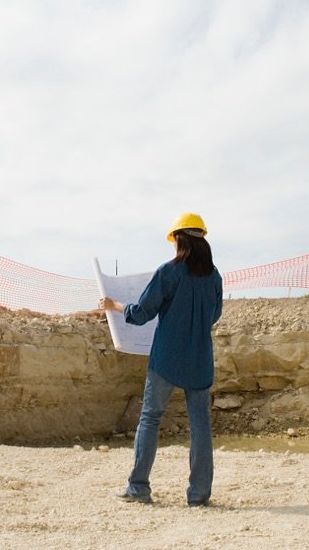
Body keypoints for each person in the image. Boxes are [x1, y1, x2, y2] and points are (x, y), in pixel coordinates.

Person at [98, 212, 223, 507]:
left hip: (166, 359)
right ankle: (199, 496)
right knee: (201, 425)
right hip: (200, 360)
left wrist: (113, 305)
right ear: (202, 240)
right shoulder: (214, 276)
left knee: (150, 418)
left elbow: (141, 313)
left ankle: (138, 488)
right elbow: (214, 315)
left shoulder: (168, 272)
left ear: (179, 240)